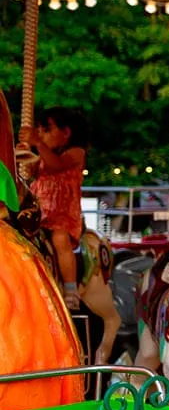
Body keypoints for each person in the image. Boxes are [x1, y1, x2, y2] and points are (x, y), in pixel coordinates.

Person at [19, 107, 87, 307]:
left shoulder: (76, 153)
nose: (39, 134)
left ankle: (71, 289)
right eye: (38, 130)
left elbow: (56, 165)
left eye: (45, 130)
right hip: (39, 215)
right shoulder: (42, 157)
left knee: (59, 238)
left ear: (66, 133)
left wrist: (38, 144)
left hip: (62, 217)